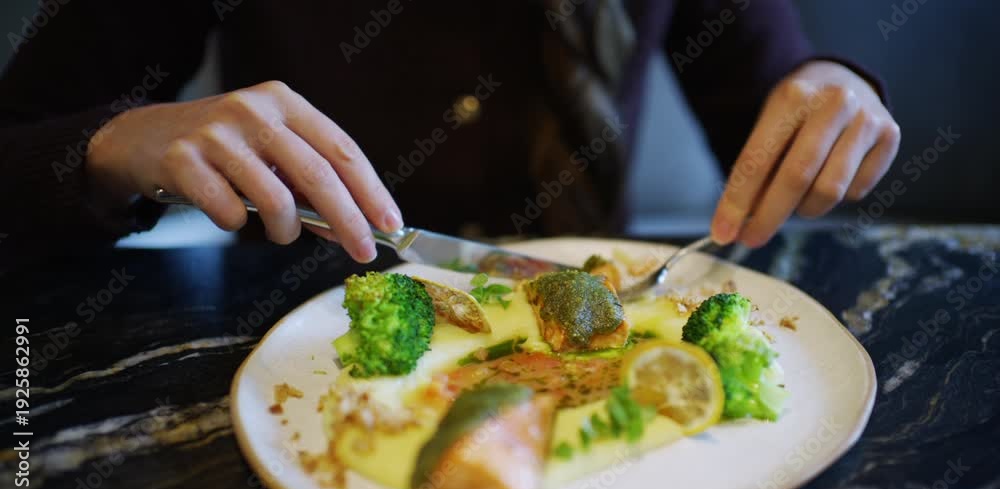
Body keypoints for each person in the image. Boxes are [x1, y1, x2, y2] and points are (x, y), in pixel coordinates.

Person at [0, 1, 899, 265]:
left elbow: (772, 93)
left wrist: (832, 96)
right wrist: (113, 146)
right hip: (296, 341)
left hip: (599, 308)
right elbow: (20, 139)